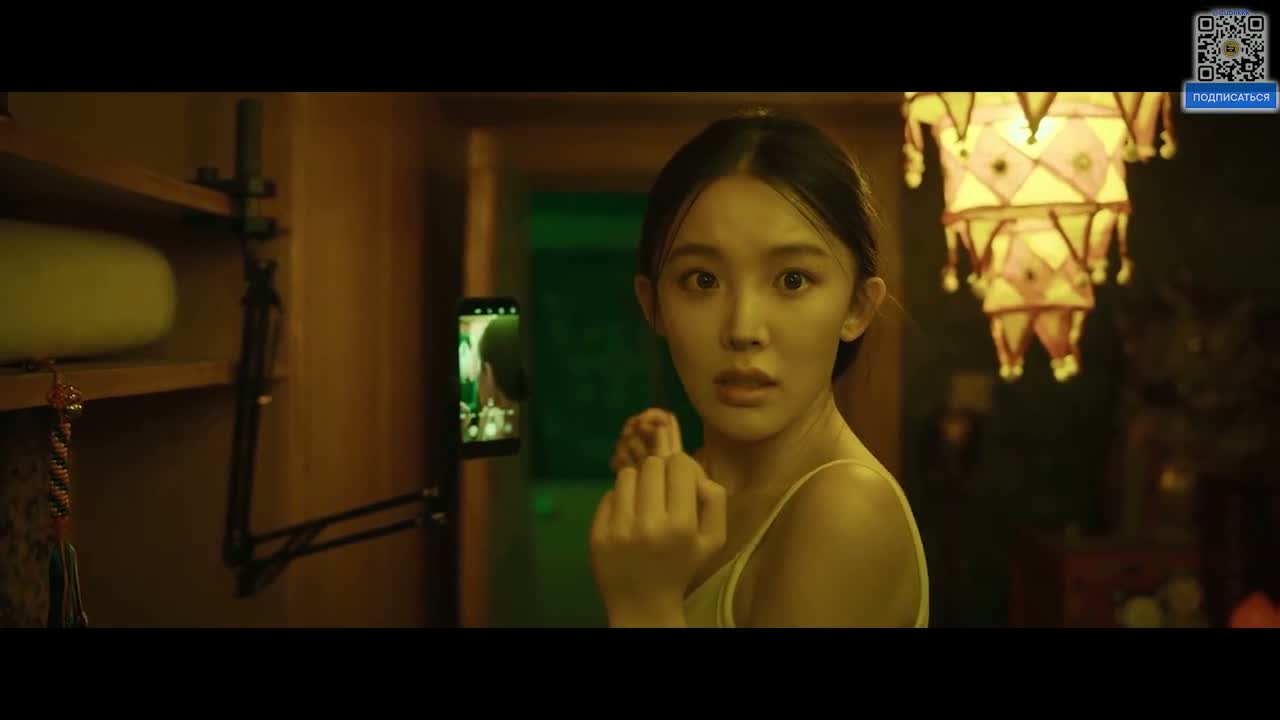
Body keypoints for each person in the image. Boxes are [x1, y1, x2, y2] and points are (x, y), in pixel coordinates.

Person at [588, 108, 929, 628]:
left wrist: (644, 602)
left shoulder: (845, 508)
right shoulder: (690, 498)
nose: (743, 328)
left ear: (858, 308)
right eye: (703, 280)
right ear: (652, 304)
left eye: (792, 280)